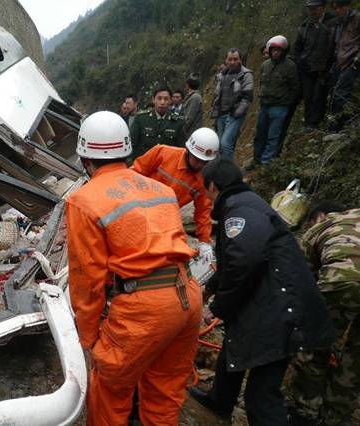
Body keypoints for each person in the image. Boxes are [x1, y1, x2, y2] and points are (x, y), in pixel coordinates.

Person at [66, 111, 202, 425]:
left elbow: (88, 279)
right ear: (127, 150)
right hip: (188, 297)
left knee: (110, 387)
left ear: (84, 157)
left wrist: (89, 339)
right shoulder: (161, 190)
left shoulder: (84, 201)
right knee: (164, 392)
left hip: (146, 309)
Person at [188, 159, 334, 425]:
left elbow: (244, 259)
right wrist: (208, 289)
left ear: (212, 185)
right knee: (233, 346)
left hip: (282, 311)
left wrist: (219, 307)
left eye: (204, 188)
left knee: (261, 396)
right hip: (276, 300)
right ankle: (220, 400)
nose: (204, 195)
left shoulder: (240, 211)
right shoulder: (245, 204)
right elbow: (232, 261)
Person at [288, 202, 360, 426]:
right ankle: (333, 417)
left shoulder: (322, 226)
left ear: (319, 216)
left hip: (342, 281)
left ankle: (303, 411)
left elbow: (304, 280)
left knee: (314, 345)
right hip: (345, 281)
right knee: (356, 358)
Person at [132, 127, 218, 260]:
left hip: (164, 218)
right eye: (198, 159)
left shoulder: (202, 179)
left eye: (205, 162)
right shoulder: (162, 153)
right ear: (189, 151)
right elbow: (134, 173)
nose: (200, 165)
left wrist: (204, 241)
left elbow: (203, 211)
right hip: (137, 208)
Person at [253, 35, 299, 166]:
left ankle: (266, 162)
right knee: (260, 134)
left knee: (273, 136)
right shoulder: (265, 65)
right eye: (273, 50)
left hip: (279, 107)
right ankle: (256, 159)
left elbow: (295, 88)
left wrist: (286, 102)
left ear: (284, 51)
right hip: (265, 105)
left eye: (278, 50)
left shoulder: (290, 66)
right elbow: (261, 83)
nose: (275, 53)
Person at [294, 0, 337, 130]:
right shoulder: (305, 26)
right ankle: (308, 124)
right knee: (308, 96)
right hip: (307, 69)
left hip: (324, 68)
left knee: (319, 96)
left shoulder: (332, 23)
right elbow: (298, 47)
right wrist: (301, 61)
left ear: (322, 8)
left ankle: (314, 124)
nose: (312, 11)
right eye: (310, 8)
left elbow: (335, 45)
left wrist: (328, 64)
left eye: (315, 8)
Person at [211, 48, 254, 161]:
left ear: (240, 60)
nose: (232, 62)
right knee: (219, 145)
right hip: (221, 113)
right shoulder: (222, 75)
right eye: (230, 59)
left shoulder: (246, 75)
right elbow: (217, 95)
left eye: (235, 59)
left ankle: (228, 174)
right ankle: (220, 170)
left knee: (226, 144)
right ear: (226, 60)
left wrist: (237, 113)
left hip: (234, 114)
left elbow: (247, 97)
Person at [130, 84, 186, 161]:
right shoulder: (141, 119)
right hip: (144, 166)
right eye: (159, 98)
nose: (162, 102)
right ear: (153, 100)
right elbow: (132, 146)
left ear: (170, 101)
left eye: (166, 99)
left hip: (166, 167)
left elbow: (181, 151)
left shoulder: (178, 122)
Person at [327, 0, 360, 129]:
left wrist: (357, 60)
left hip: (352, 63)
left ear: (348, 6)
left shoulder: (357, 18)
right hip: (339, 63)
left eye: (340, 7)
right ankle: (333, 127)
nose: (337, 10)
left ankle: (338, 128)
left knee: (341, 94)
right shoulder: (340, 22)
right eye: (335, 8)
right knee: (333, 94)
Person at [182, 73, 204, 138]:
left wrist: (182, 130)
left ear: (188, 85)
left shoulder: (195, 97)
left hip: (192, 133)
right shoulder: (191, 96)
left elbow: (189, 118)